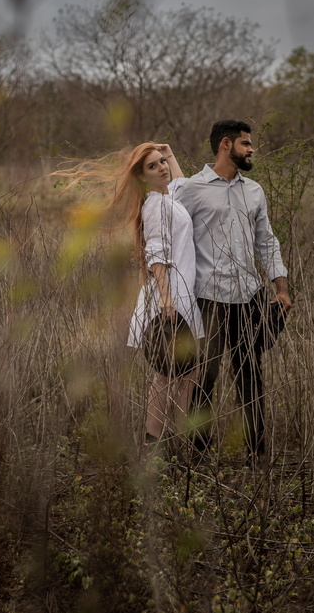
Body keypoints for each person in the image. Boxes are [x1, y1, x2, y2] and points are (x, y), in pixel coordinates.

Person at [174, 120, 291, 461]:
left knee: (250, 376)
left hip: (249, 298)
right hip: (208, 299)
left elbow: (267, 242)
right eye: (245, 144)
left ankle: (257, 454)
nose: (251, 149)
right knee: (204, 378)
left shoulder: (253, 191)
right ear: (225, 145)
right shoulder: (191, 190)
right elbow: (170, 235)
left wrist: (280, 288)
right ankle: (200, 454)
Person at [115, 143, 204, 448]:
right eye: (153, 166)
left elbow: (181, 186)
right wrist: (166, 299)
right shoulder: (156, 205)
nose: (162, 168)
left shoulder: (169, 199)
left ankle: (177, 440)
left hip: (182, 293)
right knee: (168, 374)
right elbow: (156, 254)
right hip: (170, 296)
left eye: (163, 162)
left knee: (187, 372)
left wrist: (172, 155)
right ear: (142, 177)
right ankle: (154, 444)